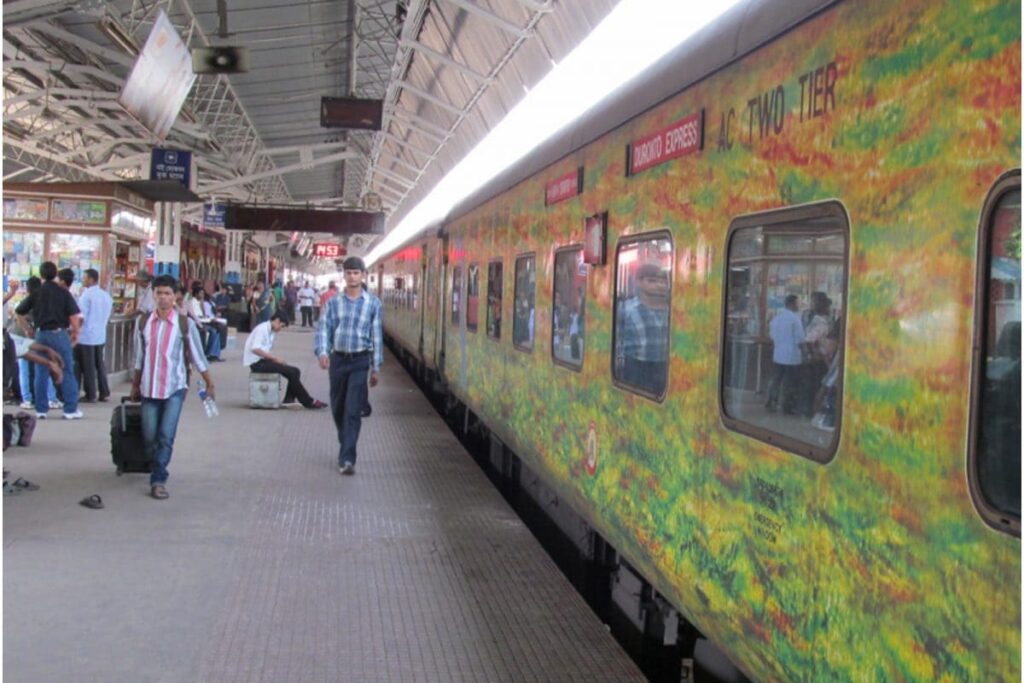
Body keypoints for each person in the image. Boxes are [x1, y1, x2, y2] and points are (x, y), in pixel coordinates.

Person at [130, 275, 216, 500]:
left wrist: (210, 382)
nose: (163, 298)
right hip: (149, 389)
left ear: (175, 296)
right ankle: (155, 462)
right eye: (159, 293)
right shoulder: (143, 323)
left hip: (175, 388)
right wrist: (135, 385)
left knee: (166, 436)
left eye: (167, 293)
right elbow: (139, 357)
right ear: (153, 296)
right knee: (149, 436)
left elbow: (197, 356)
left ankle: (158, 479)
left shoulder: (183, 324)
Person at [315, 257, 382, 475]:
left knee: (353, 409)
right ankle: (345, 442)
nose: (352, 276)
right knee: (338, 407)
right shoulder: (333, 303)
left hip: (360, 361)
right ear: (343, 275)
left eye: (356, 272)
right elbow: (324, 328)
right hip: (338, 360)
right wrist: (323, 352)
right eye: (348, 272)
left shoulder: (373, 304)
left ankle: (347, 458)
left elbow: (376, 336)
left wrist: (376, 366)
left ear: (363, 275)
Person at [14, 261, 83, 419]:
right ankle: (70, 410)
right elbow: (74, 315)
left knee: (41, 372)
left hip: (41, 334)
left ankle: (41, 409)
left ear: (41, 275)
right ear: (56, 274)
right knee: (67, 369)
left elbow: (19, 312)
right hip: (60, 334)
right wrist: (75, 333)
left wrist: (27, 328)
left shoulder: (36, 292)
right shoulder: (63, 292)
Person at [245, 312, 326, 409]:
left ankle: (289, 399)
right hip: (256, 363)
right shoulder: (262, 329)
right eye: (281, 326)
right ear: (277, 320)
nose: (280, 329)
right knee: (291, 372)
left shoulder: (270, 331)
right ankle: (308, 401)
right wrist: (274, 358)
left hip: (263, 361)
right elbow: (255, 348)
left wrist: (274, 360)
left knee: (295, 371)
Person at [615, 262, 670, 395]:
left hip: (665, 370)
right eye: (652, 281)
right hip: (635, 370)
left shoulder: (673, 312)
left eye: (664, 281)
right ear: (639, 282)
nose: (660, 285)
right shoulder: (626, 310)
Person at [74, 269, 113, 403]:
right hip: (100, 335)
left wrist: (75, 331)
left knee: (88, 365)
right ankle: (104, 391)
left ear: (91, 279)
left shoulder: (86, 296)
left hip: (86, 336)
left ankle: (90, 393)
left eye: (85, 278)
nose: (83, 280)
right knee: (99, 364)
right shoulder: (105, 295)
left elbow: (81, 317)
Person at [765, 294, 805, 415]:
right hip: (792, 356)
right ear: (792, 304)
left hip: (778, 355)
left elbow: (771, 335)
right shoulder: (795, 319)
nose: (799, 305)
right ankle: (788, 407)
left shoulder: (777, 318)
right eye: (798, 303)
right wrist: (806, 353)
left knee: (776, 379)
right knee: (790, 383)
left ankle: (771, 401)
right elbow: (800, 339)